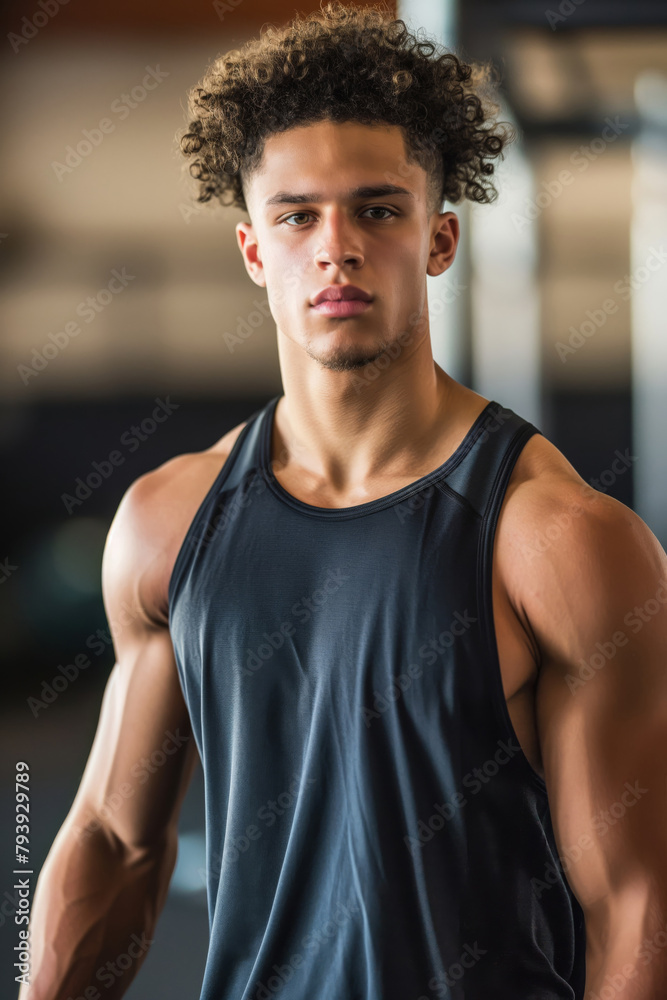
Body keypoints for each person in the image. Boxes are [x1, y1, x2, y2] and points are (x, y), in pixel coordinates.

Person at [21, 3, 667, 999]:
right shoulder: (167, 524)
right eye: (297, 215)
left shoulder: (559, 541)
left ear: (439, 238)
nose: (336, 247)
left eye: (376, 209)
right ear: (252, 252)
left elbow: (636, 906)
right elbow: (113, 839)